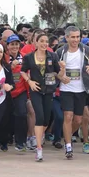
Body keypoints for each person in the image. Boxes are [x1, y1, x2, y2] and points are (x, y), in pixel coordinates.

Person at [56, 26, 89, 160]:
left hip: (81, 89)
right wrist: (61, 77)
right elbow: (54, 71)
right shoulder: (60, 52)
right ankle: (68, 146)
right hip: (66, 89)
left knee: (78, 120)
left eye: (77, 37)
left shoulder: (85, 50)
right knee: (68, 116)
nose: (75, 39)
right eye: (72, 37)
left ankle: (67, 135)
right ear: (66, 37)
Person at [22, 32, 61, 162]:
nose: (44, 44)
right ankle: (39, 148)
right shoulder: (29, 57)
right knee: (39, 116)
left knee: (46, 119)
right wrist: (29, 82)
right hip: (36, 90)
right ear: (36, 43)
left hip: (49, 90)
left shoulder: (52, 56)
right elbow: (22, 71)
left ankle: (39, 134)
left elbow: (58, 72)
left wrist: (63, 70)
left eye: (46, 41)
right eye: (42, 41)